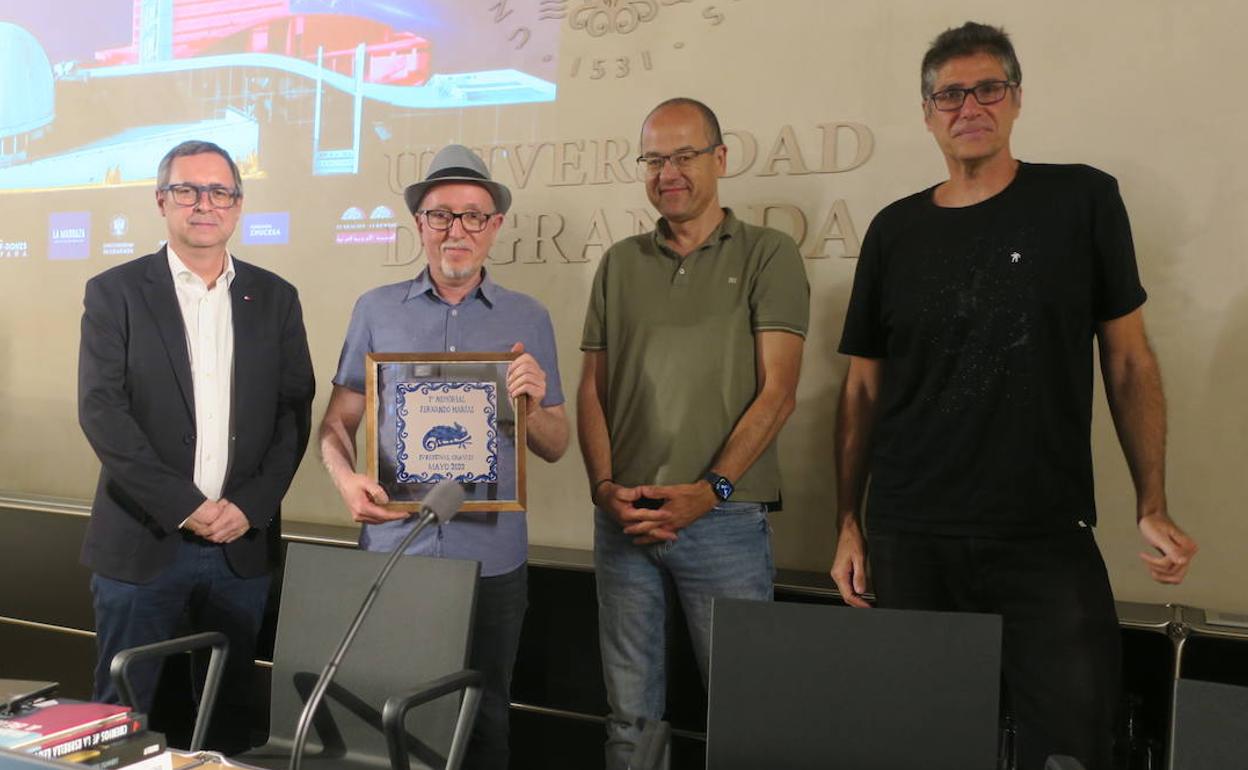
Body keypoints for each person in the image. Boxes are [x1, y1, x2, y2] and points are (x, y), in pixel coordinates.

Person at [830, 22, 1198, 770]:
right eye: (950, 94)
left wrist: (1151, 501)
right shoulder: (894, 230)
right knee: (918, 745)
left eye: (988, 87)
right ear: (928, 111)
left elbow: (1128, 361)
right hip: (912, 532)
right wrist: (847, 521)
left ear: (1016, 98)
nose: (970, 105)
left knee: (1069, 748)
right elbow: (864, 386)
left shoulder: (1083, 200)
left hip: (1043, 533)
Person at [318, 144, 568, 770]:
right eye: (441, 215)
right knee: (388, 720)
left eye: (473, 216)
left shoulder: (528, 318)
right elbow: (336, 425)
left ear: (495, 227)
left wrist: (531, 404)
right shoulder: (375, 310)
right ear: (419, 224)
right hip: (396, 556)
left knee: (486, 723)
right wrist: (346, 481)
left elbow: (557, 444)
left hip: (494, 561)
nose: (457, 230)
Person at [578, 97, 809, 769]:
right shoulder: (619, 263)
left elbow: (780, 393)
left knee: (745, 714)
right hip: (625, 521)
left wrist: (710, 490)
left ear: (720, 159)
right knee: (629, 721)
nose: (667, 172)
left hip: (726, 521)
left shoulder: (770, 253)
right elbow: (593, 387)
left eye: (683, 156)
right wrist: (601, 489)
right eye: (654, 158)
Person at [78, 140, 315, 752]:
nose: (202, 204)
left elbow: (293, 415)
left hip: (241, 547)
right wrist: (185, 504)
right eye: (187, 190)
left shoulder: (277, 298)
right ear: (162, 200)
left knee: (228, 716)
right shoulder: (115, 293)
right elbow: (103, 412)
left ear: (237, 207)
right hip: (142, 544)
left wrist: (249, 506)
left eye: (218, 192)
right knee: (122, 721)